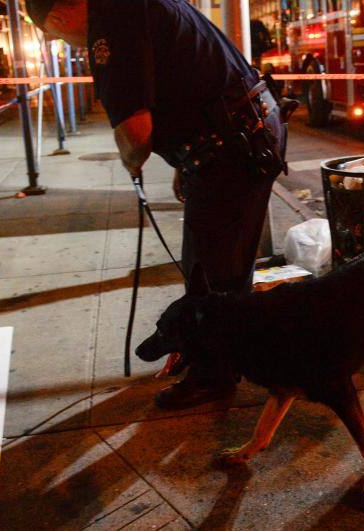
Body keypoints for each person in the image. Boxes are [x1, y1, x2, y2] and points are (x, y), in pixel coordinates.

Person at [26, 0, 292, 408]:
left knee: (213, 277)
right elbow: (188, 81)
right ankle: (214, 353)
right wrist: (186, 161)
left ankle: (214, 375)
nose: (70, 42)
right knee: (218, 269)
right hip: (239, 132)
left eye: (59, 34)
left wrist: (132, 164)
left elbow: (136, 134)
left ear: (58, 18)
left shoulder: (109, 21)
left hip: (233, 145)